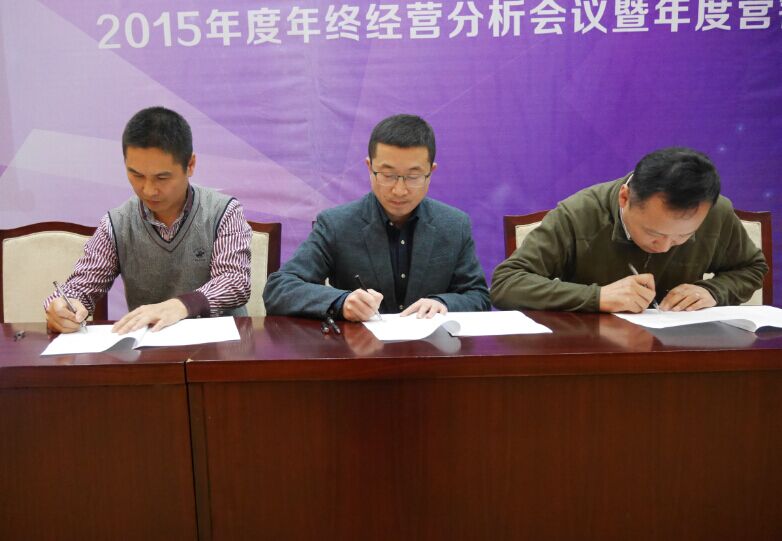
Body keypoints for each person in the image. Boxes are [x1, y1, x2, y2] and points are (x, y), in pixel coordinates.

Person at [263, 114, 490, 321]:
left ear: (431, 172)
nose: (399, 190)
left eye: (413, 177)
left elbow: (478, 296)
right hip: (360, 349)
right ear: (369, 167)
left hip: (433, 348)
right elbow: (279, 289)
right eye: (388, 175)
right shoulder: (337, 224)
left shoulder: (454, 225)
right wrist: (341, 302)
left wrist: (443, 303)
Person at [44, 106, 251, 333]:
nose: (149, 190)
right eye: (137, 175)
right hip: (150, 347)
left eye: (162, 177)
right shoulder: (117, 224)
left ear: (190, 165)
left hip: (220, 346)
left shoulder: (223, 212)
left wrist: (181, 305)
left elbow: (235, 281)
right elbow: (80, 287)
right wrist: (63, 307)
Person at [491, 147, 768, 313]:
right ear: (625, 197)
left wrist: (714, 291)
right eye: (654, 234)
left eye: (683, 237)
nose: (664, 247)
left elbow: (752, 268)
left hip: (682, 352)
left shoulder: (717, 213)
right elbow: (507, 284)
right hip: (593, 354)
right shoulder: (579, 214)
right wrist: (596, 297)